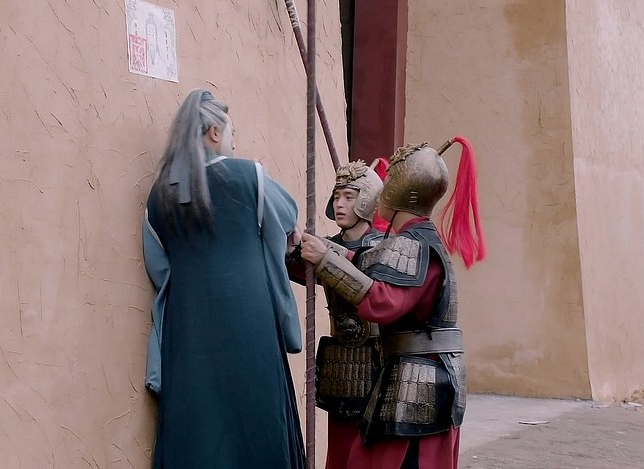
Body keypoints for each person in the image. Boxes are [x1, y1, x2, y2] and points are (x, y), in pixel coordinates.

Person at [141, 89, 305, 468]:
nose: (234, 142)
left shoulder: (158, 198)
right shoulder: (250, 177)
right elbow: (287, 222)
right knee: (257, 421)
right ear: (215, 132)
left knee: (197, 428)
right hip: (251, 325)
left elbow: (160, 270)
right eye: (232, 132)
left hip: (187, 332)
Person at [300, 139, 485, 469]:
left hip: (418, 383)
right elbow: (365, 260)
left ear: (399, 193)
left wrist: (326, 260)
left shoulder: (413, 243)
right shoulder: (418, 239)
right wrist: (326, 252)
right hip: (421, 376)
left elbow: (382, 303)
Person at [289, 159, 385, 469]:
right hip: (340, 362)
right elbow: (296, 268)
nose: (339, 203)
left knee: (369, 451)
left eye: (349, 196)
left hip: (378, 358)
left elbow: (370, 279)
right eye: (337, 196)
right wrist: (290, 244)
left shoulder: (384, 247)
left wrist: (325, 256)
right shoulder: (325, 245)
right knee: (340, 452)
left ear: (366, 200)